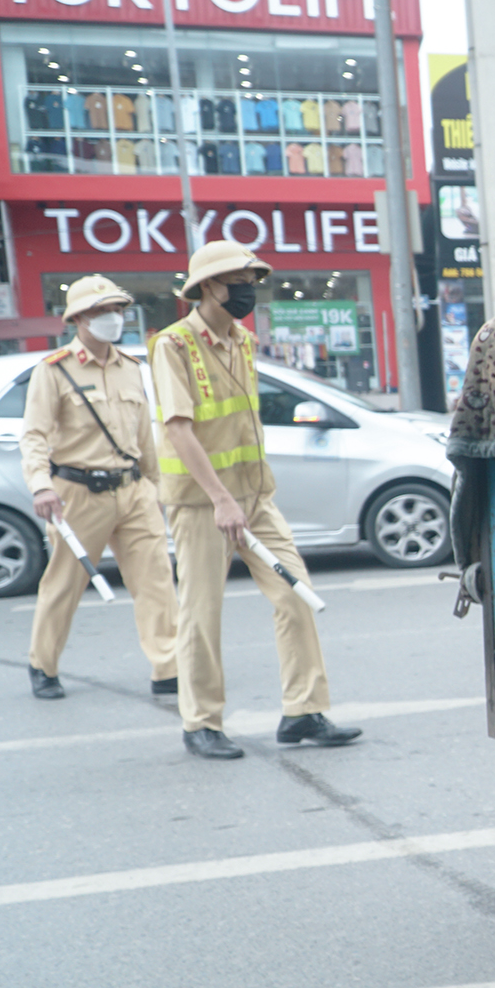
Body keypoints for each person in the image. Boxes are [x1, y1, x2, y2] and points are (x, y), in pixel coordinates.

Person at [151, 240, 361, 760]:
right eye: (236, 281)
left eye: (251, 280)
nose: (246, 290)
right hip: (205, 505)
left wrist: (244, 497)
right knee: (201, 611)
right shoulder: (173, 346)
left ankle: (303, 711)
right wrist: (222, 500)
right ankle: (200, 722)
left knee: (296, 594)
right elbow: (179, 431)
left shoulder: (241, 340)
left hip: (254, 498)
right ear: (207, 287)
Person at [20, 275, 178, 700]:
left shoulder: (132, 369)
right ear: (79, 319)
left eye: (117, 310)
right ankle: (43, 663)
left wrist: (158, 489)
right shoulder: (54, 371)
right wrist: (40, 486)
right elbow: (34, 435)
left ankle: (168, 667)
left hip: (133, 489)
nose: (112, 318)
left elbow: (145, 435)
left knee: (157, 581)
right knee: (64, 582)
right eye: (101, 311)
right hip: (76, 493)